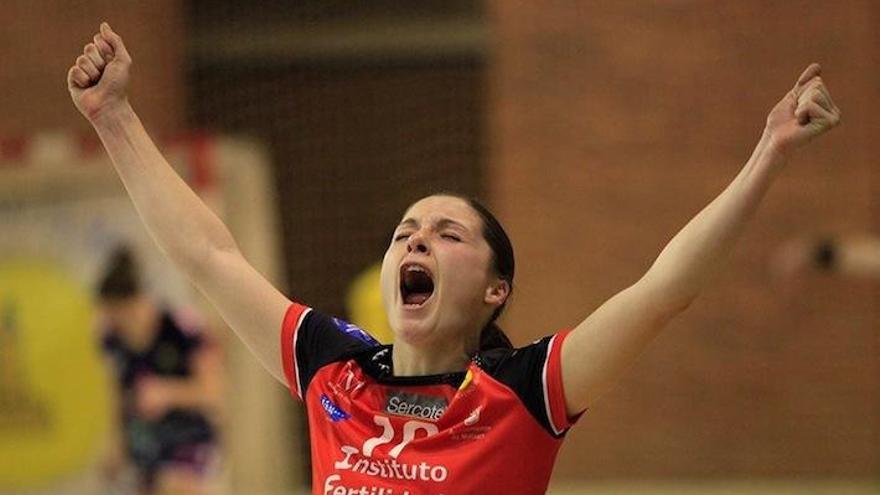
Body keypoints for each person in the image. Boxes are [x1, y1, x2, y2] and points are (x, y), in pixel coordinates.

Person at [68, 22, 841, 494]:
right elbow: (209, 254)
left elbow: (665, 288)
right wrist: (115, 118)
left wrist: (768, 153)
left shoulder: (526, 391)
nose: (416, 240)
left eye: (447, 233)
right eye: (407, 229)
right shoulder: (334, 369)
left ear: (496, 288)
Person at [96, 246, 223, 495]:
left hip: (188, 442)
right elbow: (117, 395)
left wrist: (168, 393)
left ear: (133, 304)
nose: (115, 323)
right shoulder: (112, 340)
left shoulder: (181, 328)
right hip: (145, 447)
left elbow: (215, 394)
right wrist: (115, 444)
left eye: (117, 315)